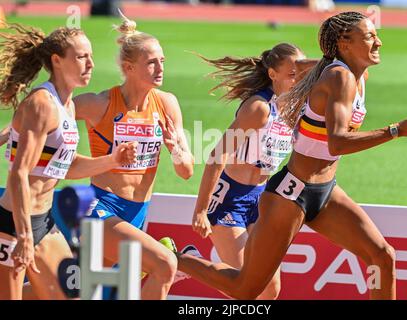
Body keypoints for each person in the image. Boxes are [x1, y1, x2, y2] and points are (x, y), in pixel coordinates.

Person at [175, 11, 407, 300]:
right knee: (246, 289)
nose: (379, 42)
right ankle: (179, 259)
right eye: (370, 36)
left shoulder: (356, 74)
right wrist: (396, 130)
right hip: (289, 194)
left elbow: (304, 66)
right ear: (345, 43)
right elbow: (337, 143)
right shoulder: (337, 78)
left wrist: (313, 61)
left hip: (324, 190)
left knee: (382, 256)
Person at [0, 23, 136, 300]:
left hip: (44, 222)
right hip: (13, 224)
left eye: (91, 56)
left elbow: (67, 166)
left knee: (73, 294)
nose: (90, 64)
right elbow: (19, 174)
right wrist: (24, 236)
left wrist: (112, 160)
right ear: (57, 61)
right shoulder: (43, 104)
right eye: (81, 57)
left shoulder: (68, 106)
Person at [74, 14, 194, 300]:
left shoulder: (166, 104)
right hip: (100, 207)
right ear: (129, 67)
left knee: (74, 293)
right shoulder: (99, 103)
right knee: (165, 264)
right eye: (151, 62)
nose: (160, 68)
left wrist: (174, 147)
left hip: (138, 212)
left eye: (162, 61)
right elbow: (47, 113)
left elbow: (187, 171)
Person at [190, 43, 316, 299]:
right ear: (273, 74)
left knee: (271, 290)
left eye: (302, 72)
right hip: (229, 199)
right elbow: (217, 156)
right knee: (244, 289)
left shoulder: (295, 108)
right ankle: (184, 261)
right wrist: (201, 209)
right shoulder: (258, 108)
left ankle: (188, 261)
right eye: (292, 73)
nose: (299, 78)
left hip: (262, 199)